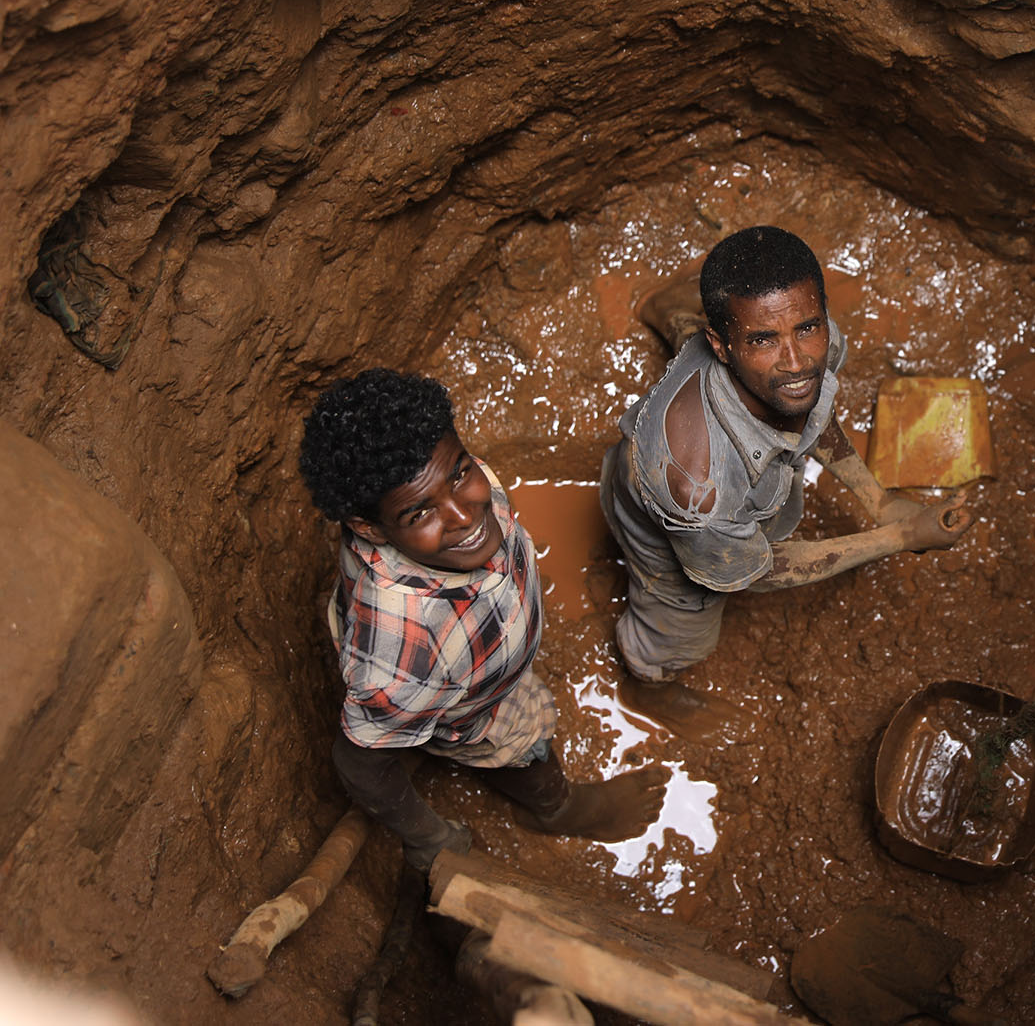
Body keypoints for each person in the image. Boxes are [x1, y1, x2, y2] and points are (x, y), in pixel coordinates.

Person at [602, 226, 972, 736]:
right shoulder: (697, 490)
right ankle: (647, 685)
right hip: (664, 524)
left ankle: (670, 309)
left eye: (807, 328)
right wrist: (899, 537)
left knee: (777, 378)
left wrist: (879, 500)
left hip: (718, 441)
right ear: (724, 346)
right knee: (681, 633)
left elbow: (813, 410)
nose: (797, 361)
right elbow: (756, 572)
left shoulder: (810, 341)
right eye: (763, 340)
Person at [301, 369, 668, 870]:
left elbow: (453, 498)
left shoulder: (449, 493)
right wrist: (428, 835)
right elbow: (360, 762)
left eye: (459, 472)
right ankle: (556, 808)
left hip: (474, 654)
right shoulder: (403, 658)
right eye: (419, 514)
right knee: (523, 746)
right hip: (476, 709)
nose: (464, 514)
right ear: (370, 528)